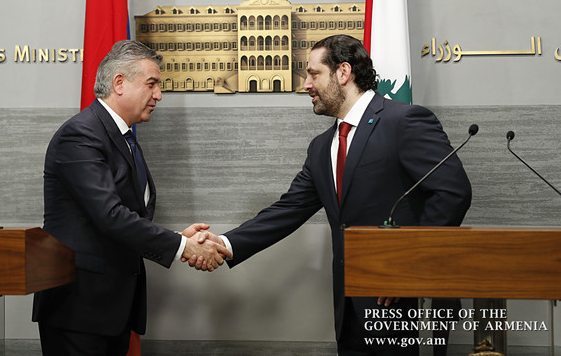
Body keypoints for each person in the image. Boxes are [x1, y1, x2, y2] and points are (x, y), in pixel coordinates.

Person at [191, 34, 471, 355]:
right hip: (348, 307)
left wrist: (408, 265)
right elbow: (288, 209)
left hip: (399, 299)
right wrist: (225, 243)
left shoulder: (404, 121)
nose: (306, 85)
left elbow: (453, 191)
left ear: (343, 72)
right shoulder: (321, 147)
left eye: (313, 74)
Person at [32, 40, 230, 356]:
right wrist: (183, 246)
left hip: (112, 310)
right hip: (78, 310)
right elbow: (110, 216)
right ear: (119, 83)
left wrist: (178, 237)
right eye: (151, 84)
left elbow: (125, 218)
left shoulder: (122, 137)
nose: (158, 95)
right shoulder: (81, 135)